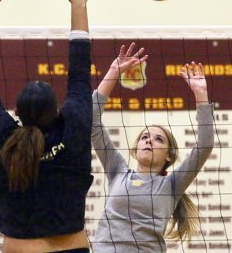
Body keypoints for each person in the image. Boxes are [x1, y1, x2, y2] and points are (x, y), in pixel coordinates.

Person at [0, 0, 99, 253]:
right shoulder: (73, 127)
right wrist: (79, 4)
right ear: (57, 111)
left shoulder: (5, 139)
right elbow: (80, 71)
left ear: (17, 114)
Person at [91, 43, 214, 252]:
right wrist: (113, 72)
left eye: (158, 139)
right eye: (145, 137)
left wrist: (201, 95)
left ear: (168, 155)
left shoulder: (171, 186)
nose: (149, 140)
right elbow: (91, 120)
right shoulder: (118, 171)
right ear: (136, 147)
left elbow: (205, 145)